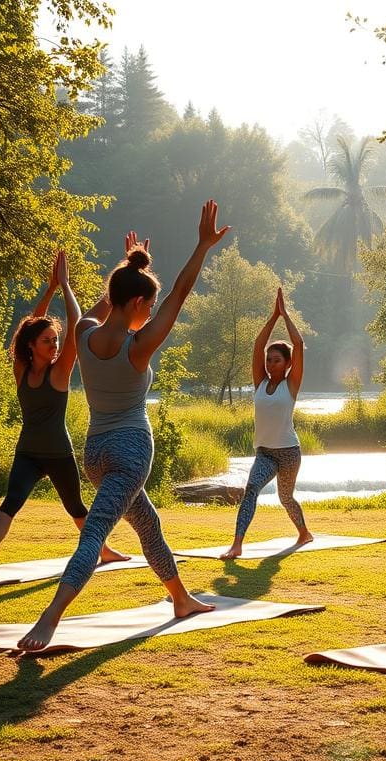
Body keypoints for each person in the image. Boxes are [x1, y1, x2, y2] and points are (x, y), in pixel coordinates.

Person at [18, 200, 230, 651]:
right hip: (131, 453)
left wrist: (81, 282)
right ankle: (49, 619)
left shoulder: (84, 334)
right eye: (148, 306)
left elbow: (86, 309)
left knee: (148, 525)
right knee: (94, 535)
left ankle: (180, 598)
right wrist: (202, 246)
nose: (152, 313)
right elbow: (182, 293)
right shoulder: (140, 346)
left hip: (95, 455)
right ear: (136, 302)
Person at [0, 251, 126, 585]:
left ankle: (103, 550)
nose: (56, 345)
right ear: (32, 346)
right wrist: (62, 287)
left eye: (56, 340)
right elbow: (76, 324)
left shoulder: (26, 369)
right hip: (40, 453)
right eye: (47, 340)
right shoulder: (46, 372)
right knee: (12, 503)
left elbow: (52, 327)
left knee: (76, 508)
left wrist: (52, 289)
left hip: (45, 453)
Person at [220, 287, 312, 559]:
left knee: (286, 498)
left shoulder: (291, 385)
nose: (270, 364)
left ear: (286, 364)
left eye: (276, 361)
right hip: (265, 453)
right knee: (251, 490)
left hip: (289, 454)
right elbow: (257, 346)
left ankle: (304, 533)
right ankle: (237, 544)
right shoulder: (260, 382)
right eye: (268, 361)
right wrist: (272, 317)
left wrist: (285, 315)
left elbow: (299, 344)